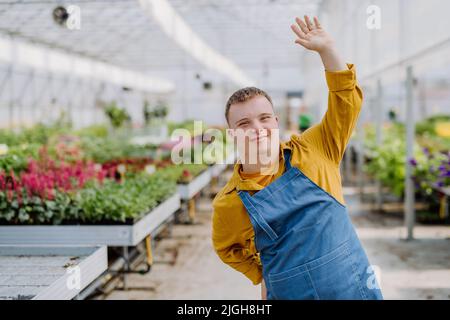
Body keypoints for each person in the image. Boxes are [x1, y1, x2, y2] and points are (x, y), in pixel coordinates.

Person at [211, 15, 383, 300]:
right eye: (244, 124)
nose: (257, 129)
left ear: (276, 121)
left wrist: (328, 50)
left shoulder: (316, 148)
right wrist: (264, 273)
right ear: (232, 134)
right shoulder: (230, 203)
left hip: (353, 287)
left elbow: (346, 102)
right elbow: (228, 249)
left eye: (264, 118)